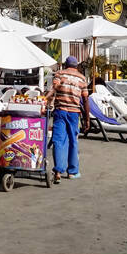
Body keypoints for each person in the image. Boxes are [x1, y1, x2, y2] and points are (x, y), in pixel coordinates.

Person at [45, 56, 90, 184]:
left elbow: (53, 90)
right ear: (76, 66)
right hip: (74, 113)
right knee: (73, 141)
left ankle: (58, 171)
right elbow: (85, 99)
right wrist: (87, 119)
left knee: (58, 140)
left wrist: (44, 99)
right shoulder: (82, 78)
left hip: (60, 111)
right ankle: (72, 172)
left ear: (65, 64)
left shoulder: (60, 74)